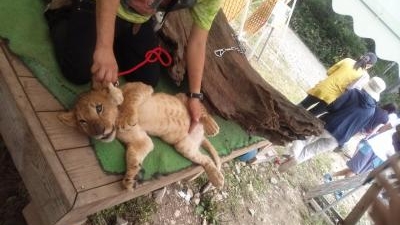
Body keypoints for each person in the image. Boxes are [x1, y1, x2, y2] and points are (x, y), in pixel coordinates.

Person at [44, 0, 223, 131]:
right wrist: (104, 48)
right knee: (78, 71)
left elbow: (198, 42)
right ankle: (62, 11)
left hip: (136, 20)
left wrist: (194, 96)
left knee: (147, 80)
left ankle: (108, 36)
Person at [278, 77, 386, 172]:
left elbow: (333, 107)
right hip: (340, 138)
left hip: (327, 125)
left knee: (303, 138)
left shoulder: (353, 93)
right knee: (311, 151)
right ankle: (292, 161)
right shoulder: (371, 111)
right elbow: (357, 129)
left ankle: (292, 155)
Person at [299, 52, 378, 116]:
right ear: (370, 65)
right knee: (310, 115)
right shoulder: (364, 76)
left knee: (302, 105)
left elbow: (329, 72)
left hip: (323, 88)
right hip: (332, 99)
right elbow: (351, 90)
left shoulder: (348, 60)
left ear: (362, 56)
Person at [324, 123, 400, 180]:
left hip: (382, 157)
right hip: (374, 146)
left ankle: (331, 175)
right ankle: (338, 188)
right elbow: (385, 127)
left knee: (357, 171)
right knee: (355, 170)